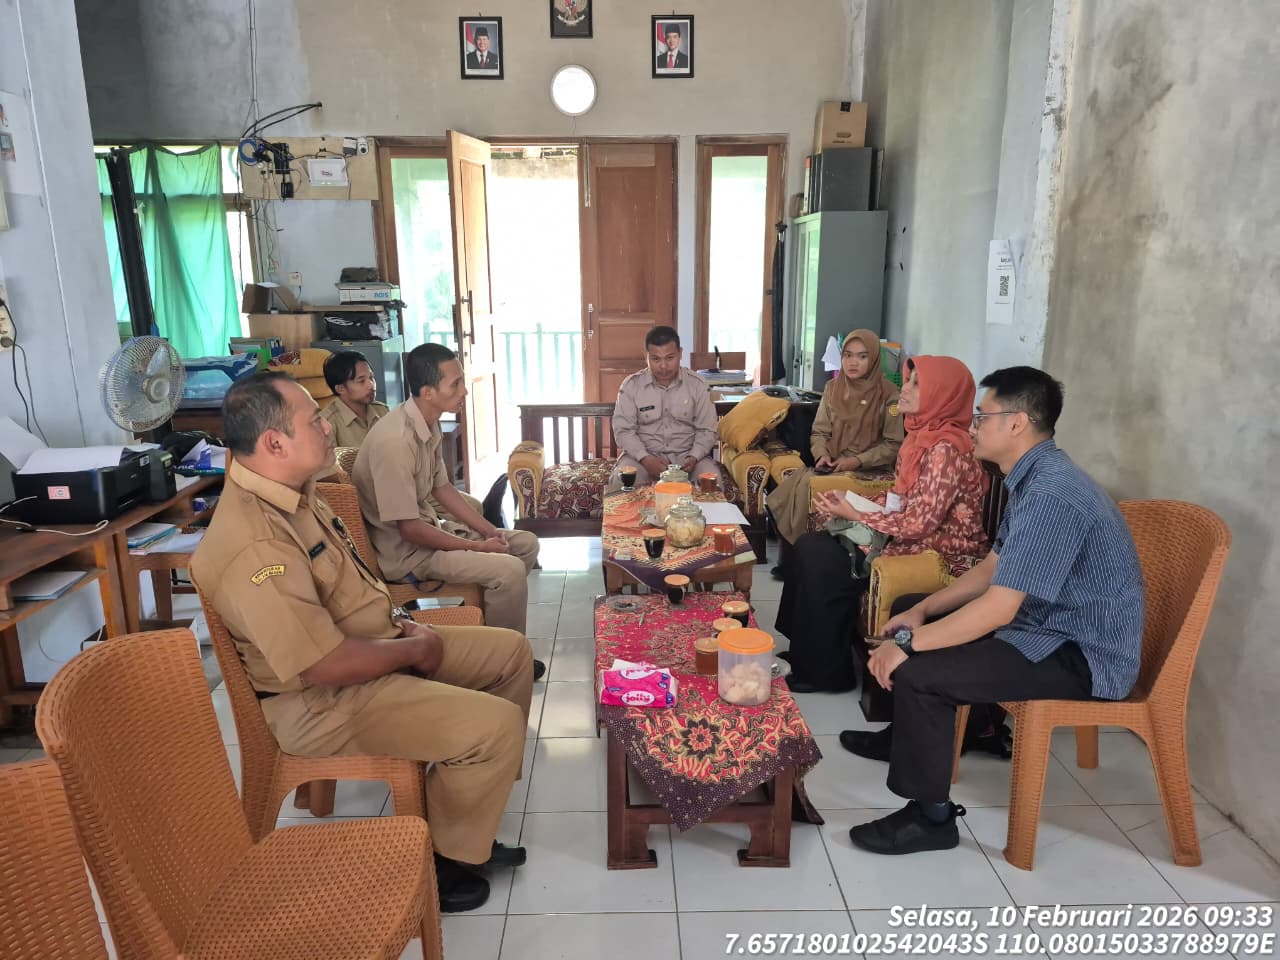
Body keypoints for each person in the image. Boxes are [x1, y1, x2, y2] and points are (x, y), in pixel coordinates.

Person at [191, 372, 532, 912]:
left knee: (511, 654)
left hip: (377, 644)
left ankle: (471, 807)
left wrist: (407, 632)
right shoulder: (255, 542)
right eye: (314, 420)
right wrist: (412, 650)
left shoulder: (298, 495)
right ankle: (445, 863)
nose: (329, 428)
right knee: (495, 726)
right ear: (274, 443)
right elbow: (322, 665)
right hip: (324, 701)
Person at [844, 366, 1145, 855]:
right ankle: (907, 738)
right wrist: (921, 615)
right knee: (911, 607)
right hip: (1043, 627)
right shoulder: (1034, 477)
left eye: (982, 416)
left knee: (923, 674)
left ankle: (931, 818)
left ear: (1017, 423)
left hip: (1079, 653)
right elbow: (992, 568)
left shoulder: (1052, 492)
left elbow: (1000, 609)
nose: (972, 426)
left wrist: (906, 645)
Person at [775, 356, 989, 694]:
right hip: (906, 535)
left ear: (943, 394)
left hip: (940, 551)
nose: (905, 389)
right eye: (908, 380)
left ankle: (827, 672)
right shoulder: (921, 437)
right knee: (812, 544)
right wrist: (851, 504)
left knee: (824, 561)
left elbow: (920, 523)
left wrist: (858, 514)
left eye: (918, 384)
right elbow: (900, 497)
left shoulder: (945, 449)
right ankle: (808, 651)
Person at [353, 344, 540, 636]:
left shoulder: (428, 422)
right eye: (455, 384)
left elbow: (443, 489)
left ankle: (490, 636)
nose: (464, 391)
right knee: (509, 570)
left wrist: (489, 531)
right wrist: (478, 547)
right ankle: (504, 652)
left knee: (525, 543)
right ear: (428, 392)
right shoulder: (395, 442)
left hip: (432, 533)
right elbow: (410, 530)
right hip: (409, 555)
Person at [766, 329, 903, 570]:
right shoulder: (832, 388)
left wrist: (857, 461)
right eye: (848, 355)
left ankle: (799, 558)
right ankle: (797, 557)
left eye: (862, 356)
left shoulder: (890, 394)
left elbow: (893, 444)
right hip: (835, 463)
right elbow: (820, 431)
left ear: (873, 359)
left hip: (870, 469)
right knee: (794, 485)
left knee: (807, 485)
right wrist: (822, 455)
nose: (853, 362)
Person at [610, 325, 719, 488]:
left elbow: (707, 429)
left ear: (680, 353)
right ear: (646, 356)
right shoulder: (632, 386)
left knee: (711, 481)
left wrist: (694, 456)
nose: (663, 366)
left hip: (687, 459)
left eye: (669, 358)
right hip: (642, 458)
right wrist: (645, 458)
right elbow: (623, 430)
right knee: (622, 480)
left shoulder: (697, 385)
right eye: (656, 359)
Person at [319, 351, 389, 449]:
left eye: (371, 377)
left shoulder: (382, 411)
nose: (371, 385)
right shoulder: (327, 423)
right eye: (361, 381)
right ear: (340, 389)